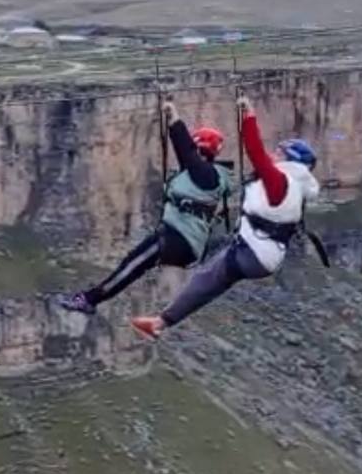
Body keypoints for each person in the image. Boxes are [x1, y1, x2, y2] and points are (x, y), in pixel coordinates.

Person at [131, 95, 320, 340]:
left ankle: (159, 322)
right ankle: (158, 323)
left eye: (280, 152)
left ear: (290, 160)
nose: (274, 154)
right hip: (262, 252)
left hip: (254, 253)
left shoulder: (280, 181)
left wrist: (249, 115)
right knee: (210, 280)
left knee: (207, 279)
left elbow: (256, 152)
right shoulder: (294, 185)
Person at [58, 101, 232, 314]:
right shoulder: (202, 175)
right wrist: (171, 120)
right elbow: (184, 152)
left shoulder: (207, 176)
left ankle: (89, 300)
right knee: (132, 262)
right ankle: (89, 298)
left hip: (179, 239)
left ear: (199, 148)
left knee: (133, 265)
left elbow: (186, 152)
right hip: (180, 239)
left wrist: (175, 117)